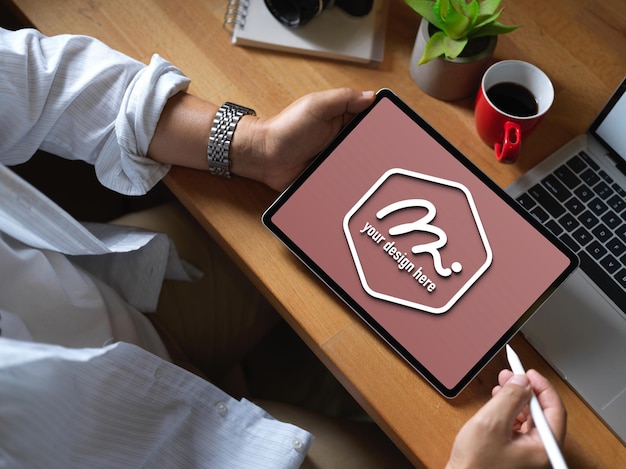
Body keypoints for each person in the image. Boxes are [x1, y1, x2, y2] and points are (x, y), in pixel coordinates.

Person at [0, 27, 566, 468]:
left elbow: (37, 79)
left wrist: (255, 145)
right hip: (186, 450)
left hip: (110, 295)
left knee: (300, 230)